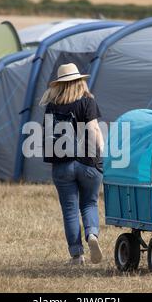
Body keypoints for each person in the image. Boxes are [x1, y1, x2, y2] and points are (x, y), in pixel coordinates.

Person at [40, 63, 104, 265]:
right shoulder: (87, 102)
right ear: (80, 81)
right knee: (90, 203)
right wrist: (100, 152)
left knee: (69, 209)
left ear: (59, 84)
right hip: (88, 163)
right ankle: (92, 234)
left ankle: (77, 255)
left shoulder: (52, 105)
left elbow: (47, 136)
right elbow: (94, 130)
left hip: (62, 165)